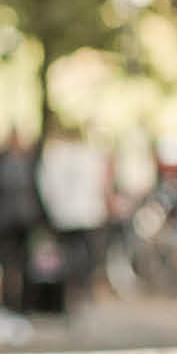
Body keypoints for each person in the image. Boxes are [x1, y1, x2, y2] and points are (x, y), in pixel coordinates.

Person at [38, 123, 111, 311]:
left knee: (68, 256)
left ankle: (71, 290)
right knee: (86, 257)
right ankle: (82, 289)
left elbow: (46, 187)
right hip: (88, 214)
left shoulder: (54, 156)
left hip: (64, 215)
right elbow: (101, 181)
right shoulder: (90, 155)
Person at [0, 130, 45, 319]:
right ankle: (7, 302)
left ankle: (24, 303)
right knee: (6, 264)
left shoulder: (29, 162)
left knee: (25, 264)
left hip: (24, 222)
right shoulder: (0, 163)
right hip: (5, 223)